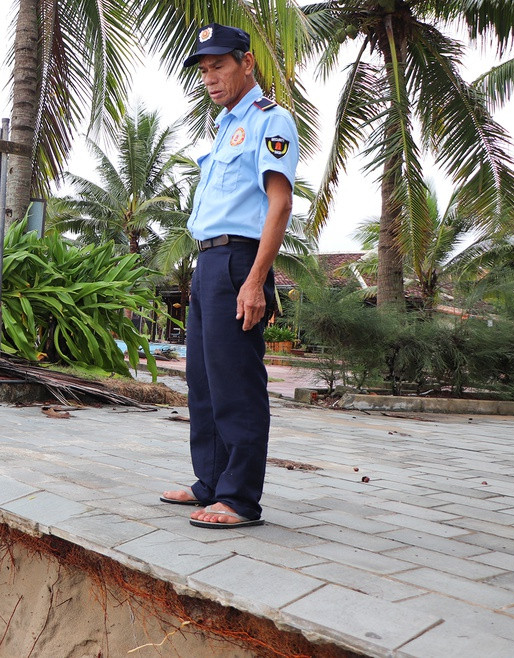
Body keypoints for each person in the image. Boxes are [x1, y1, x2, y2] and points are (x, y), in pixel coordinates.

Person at [159, 23, 299, 528]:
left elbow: (279, 203)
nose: (210, 78)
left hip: (239, 260)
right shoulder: (224, 126)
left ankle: (239, 498)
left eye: (219, 65)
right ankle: (211, 483)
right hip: (208, 261)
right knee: (203, 380)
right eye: (204, 69)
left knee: (237, 381)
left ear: (247, 63)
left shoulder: (270, 120)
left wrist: (255, 279)